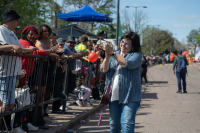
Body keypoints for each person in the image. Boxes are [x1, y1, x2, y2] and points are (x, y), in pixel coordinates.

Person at [0, 9, 37, 133]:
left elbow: (19, 49)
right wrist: (11, 47)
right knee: (6, 105)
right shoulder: (1, 30)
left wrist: (29, 49)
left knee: (10, 105)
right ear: (11, 20)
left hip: (13, 72)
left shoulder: (11, 33)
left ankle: (6, 128)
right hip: (5, 72)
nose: (18, 23)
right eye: (17, 20)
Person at [101, 31, 142, 133]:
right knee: (113, 125)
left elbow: (127, 64)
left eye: (127, 43)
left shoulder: (137, 55)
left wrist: (112, 54)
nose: (123, 45)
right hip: (113, 95)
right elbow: (104, 69)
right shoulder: (115, 54)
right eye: (122, 41)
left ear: (133, 46)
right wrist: (107, 56)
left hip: (131, 96)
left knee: (127, 124)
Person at [35, 24, 59, 116]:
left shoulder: (49, 40)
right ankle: (38, 114)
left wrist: (52, 53)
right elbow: (44, 53)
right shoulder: (38, 41)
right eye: (44, 31)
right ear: (40, 32)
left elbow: (51, 51)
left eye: (47, 31)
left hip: (47, 66)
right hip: (38, 67)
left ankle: (43, 111)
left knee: (47, 91)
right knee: (40, 92)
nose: (47, 32)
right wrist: (54, 54)